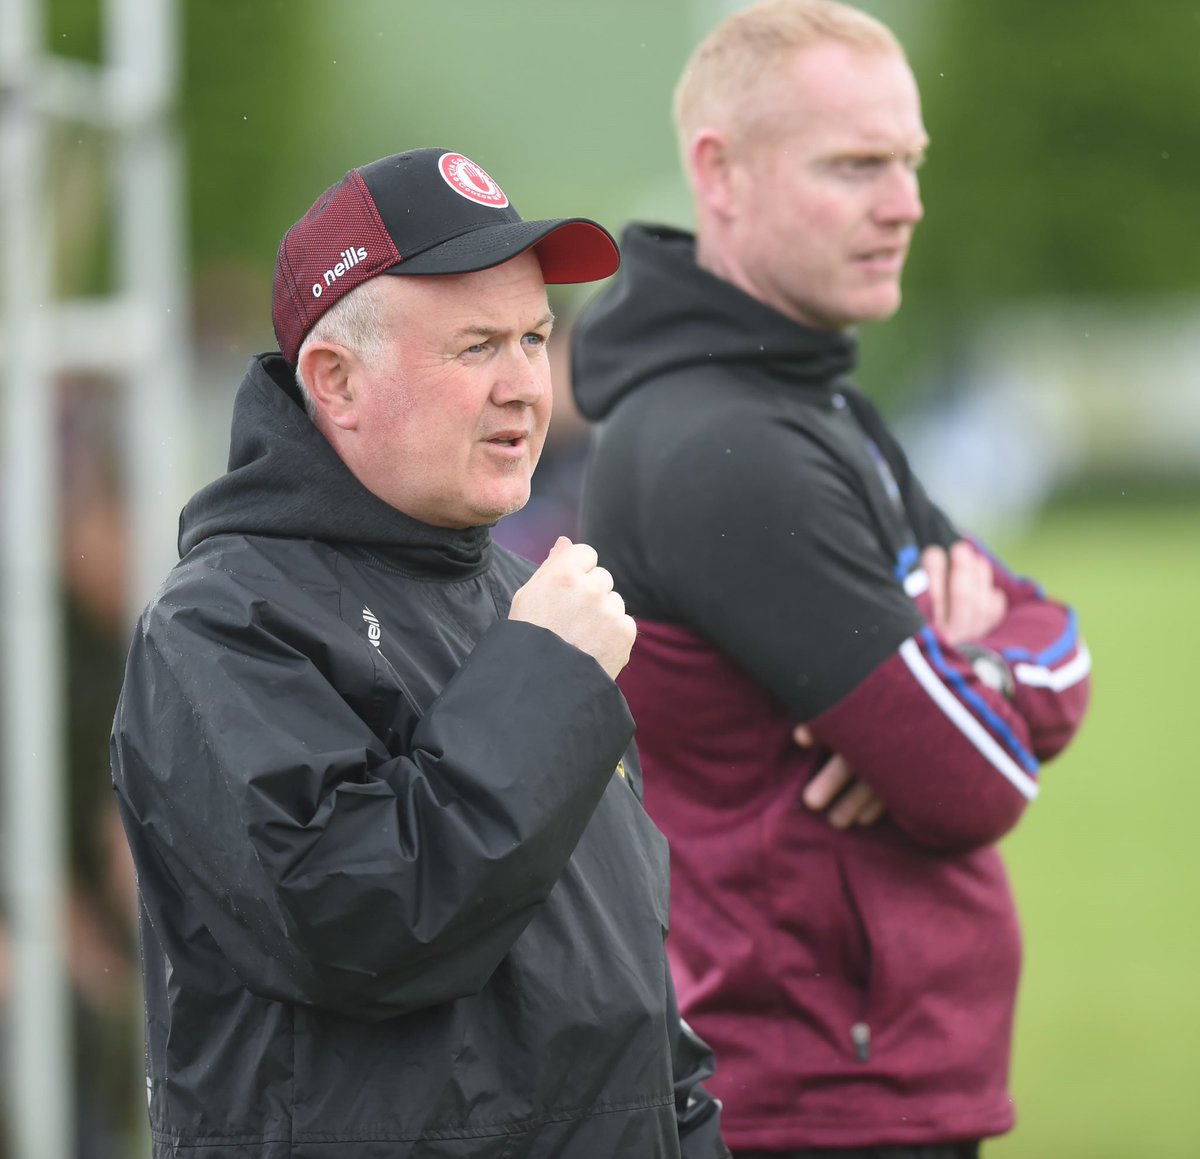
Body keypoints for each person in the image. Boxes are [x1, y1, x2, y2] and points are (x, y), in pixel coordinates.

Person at [110, 147, 730, 1159]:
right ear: (336, 380)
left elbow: (623, 981)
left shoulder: (512, 600)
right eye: (477, 345)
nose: (528, 385)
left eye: (535, 337)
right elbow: (363, 924)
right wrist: (547, 682)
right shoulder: (221, 624)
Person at [570, 3, 1093, 1157]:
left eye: (908, 162)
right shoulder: (729, 447)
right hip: (810, 1094)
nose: (904, 202)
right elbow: (976, 781)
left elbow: (1057, 640)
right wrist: (959, 691)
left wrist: (964, 673)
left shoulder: (811, 402)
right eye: (856, 165)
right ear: (722, 174)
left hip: (857, 1077)